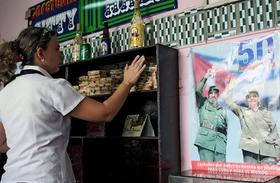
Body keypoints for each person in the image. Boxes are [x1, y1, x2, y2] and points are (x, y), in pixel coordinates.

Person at [0, 27, 146, 182]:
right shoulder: (53, 87)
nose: (60, 54)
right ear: (40, 54)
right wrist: (127, 82)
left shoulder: (5, 92)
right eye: (56, 49)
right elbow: (105, 113)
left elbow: (1, 144)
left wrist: (26, 144)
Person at [225, 82, 280, 164]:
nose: (252, 98)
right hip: (250, 150)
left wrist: (278, 150)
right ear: (247, 100)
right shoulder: (242, 111)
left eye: (254, 96)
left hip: (268, 151)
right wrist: (230, 87)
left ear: (258, 99)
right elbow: (229, 102)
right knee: (251, 175)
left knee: (270, 175)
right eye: (249, 97)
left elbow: (274, 131)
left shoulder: (266, 113)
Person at [194, 69, 228, 162]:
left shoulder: (222, 110)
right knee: (206, 172)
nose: (213, 95)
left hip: (220, 145)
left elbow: (226, 128)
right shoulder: (203, 103)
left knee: (221, 173)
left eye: (215, 93)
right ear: (208, 95)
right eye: (211, 93)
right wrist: (206, 77)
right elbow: (198, 91)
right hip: (206, 142)